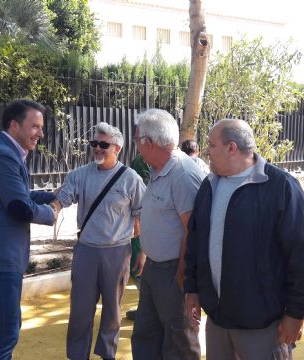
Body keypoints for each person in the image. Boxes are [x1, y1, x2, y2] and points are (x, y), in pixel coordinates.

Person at [184, 119, 304, 360]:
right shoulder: (210, 185)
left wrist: (296, 314)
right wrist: (192, 288)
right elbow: (197, 239)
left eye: (211, 145)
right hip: (218, 320)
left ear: (231, 148)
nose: (206, 151)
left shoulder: (281, 187)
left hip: (263, 326)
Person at [0, 100, 59, 359]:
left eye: (41, 127)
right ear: (14, 125)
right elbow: (18, 206)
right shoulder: (2, 155)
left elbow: (16, 193)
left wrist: (48, 195)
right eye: (35, 126)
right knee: (7, 331)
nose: (40, 133)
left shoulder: (6, 151)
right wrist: (51, 212)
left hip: (2, 258)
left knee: (7, 328)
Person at [53, 122, 145, 360]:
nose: (98, 149)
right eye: (95, 144)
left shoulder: (130, 178)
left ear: (117, 149)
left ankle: (107, 354)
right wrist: (49, 209)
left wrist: (143, 251)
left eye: (104, 145)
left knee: (113, 311)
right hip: (86, 251)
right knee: (80, 311)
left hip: (118, 252)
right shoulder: (79, 174)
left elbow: (142, 213)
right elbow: (62, 198)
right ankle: (77, 355)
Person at [130, 109, 204, 360]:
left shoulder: (182, 174)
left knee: (179, 342)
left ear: (148, 143)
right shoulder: (159, 168)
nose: (137, 148)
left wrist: (182, 276)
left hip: (174, 272)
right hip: (155, 268)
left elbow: (192, 232)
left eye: (138, 141)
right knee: (146, 336)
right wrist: (144, 253)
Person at [126, 153, 150, 322]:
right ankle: (145, 306)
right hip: (146, 223)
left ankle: (147, 308)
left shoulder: (144, 160)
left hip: (146, 224)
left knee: (139, 267)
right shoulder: (142, 160)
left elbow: (139, 199)